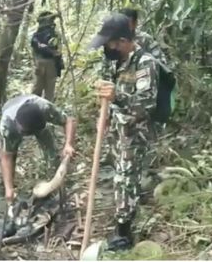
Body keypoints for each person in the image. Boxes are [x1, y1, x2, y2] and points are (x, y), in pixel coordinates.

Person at [88, 13, 159, 251]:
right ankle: (121, 217)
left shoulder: (145, 62)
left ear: (122, 40)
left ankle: (124, 234)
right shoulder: (113, 60)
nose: (107, 48)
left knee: (127, 178)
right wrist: (104, 115)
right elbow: (106, 86)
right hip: (117, 129)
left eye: (109, 43)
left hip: (134, 133)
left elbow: (147, 104)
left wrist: (117, 95)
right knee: (119, 175)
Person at [0, 94, 76, 204]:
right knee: (11, 152)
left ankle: (57, 179)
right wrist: (8, 188)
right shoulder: (7, 125)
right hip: (12, 115)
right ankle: (8, 190)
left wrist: (68, 144)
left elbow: (68, 120)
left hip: (38, 123)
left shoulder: (45, 108)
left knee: (50, 150)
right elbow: (6, 157)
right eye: (24, 132)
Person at [30, 11, 64, 102]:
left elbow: (58, 51)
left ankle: (46, 111)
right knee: (39, 89)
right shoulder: (37, 35)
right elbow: (36, 47)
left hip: (50, 63)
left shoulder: (55, 34)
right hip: (42, 62)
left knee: (48, 91)